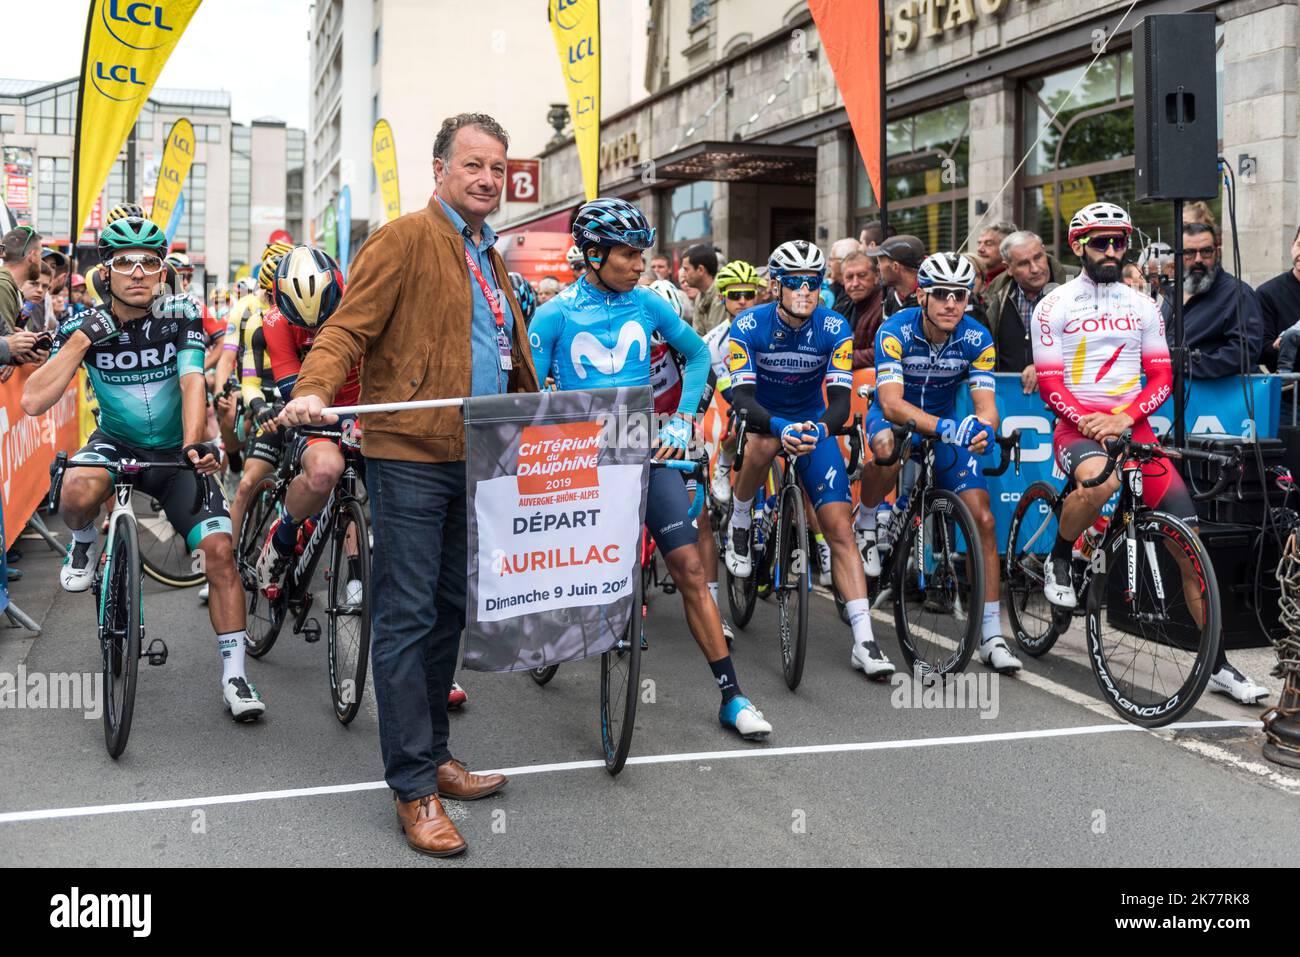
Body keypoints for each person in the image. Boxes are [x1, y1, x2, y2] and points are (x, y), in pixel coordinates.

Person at [280, 113, 538, 857]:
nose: (488, 178)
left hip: (479, 454)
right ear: (440, 169)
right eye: (474, 165)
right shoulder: (403, 239)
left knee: (451, 611)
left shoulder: (489, 253)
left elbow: (499, 349)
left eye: (497, 166)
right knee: (406, 615)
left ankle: (437, 756)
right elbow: (344, 330)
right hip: (411, 456)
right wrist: (313, 389)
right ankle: (413, 789)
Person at [532, 198, 773, 741]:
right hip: (580, 455)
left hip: (641, 446)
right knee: (576, 568)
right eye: (627, 254)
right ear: (592, 255)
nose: (640, 264)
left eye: (643, 254)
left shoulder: (647, 304)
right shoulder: (555, 314)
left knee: (688, 568)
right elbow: (524, 392)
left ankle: (732, 696)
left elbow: (697, 358)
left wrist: (681, 420)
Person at [20, 216, 264, 719]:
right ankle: (86, 542)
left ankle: (235, 676)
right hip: (115, 443)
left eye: (148, 263)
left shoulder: (181, 315)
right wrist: (83, 340)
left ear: (160, 271)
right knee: (73, 492)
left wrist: (194, 446)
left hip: (175, 451)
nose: (137, 272)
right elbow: (31, 400)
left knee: (220, 551)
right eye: (124, 263)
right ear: (105, 272)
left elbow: (193, 380)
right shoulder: (81, 323)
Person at [1034, 202, 1269, 705]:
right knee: (1102, 482)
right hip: (1076, 426)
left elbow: (1161, 376)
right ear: (1079, 246)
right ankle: (1058, 556)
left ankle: (1219, 663)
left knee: (1191, 545)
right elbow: (1051, 384)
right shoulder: (1052, 306)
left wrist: (1124, 417)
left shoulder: (1142, 305)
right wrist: (1090, 422)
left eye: (1120, 241)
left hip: (1131, 427)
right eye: (1101, 242)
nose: (1113, 251)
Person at [724, 239, 897, 680]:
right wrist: (779, 426)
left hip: (809, 422)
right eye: (795, 282)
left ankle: (864, 640)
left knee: (839, 526)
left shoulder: (834, 326)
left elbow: (839, 399)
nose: (806, 290)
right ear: (776, 284)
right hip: (764, 418)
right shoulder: (749, 325)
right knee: (761, 446)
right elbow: (741, 396)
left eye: (814, 282)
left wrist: (819, 428)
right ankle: (741, 518)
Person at [855, 252, 1020, 675]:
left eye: (960, 296)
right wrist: (948, 427)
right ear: (923, 295)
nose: (951, 304)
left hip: (945, 428)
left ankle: (990, 634)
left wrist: (982, 429)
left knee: (982, 518)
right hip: (897, 417)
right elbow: (891, 403)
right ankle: (868, 518)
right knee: (887, 448)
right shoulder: (895, 330)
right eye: (942, 295)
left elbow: (987, 408)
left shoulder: (977, 337)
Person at [646, 277, 733, 644]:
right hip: (632, 429)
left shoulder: (680, 347)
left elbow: (708, 378)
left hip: (675, 429)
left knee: (699, 518)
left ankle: (711, 606)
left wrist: (687, 422)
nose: (660, 343)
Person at [1162, 221, 1263, 379]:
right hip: (1172, 394)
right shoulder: (1173, 293)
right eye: (1189, 252)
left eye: (1206, 251)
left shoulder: (1237, 294)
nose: (1198, 259)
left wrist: (1187, 366)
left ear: (1217, 253)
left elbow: (1245, 351)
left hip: (1220, 397)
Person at [981, 229, 1069, 394]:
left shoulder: (1075, 282)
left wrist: (1047, 367)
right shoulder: (994, 293)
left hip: (1065, 397)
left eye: (1038, 257)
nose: (1035, 269)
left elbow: (1093, 345)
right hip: (1008, 399)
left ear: (1044, 251)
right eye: (1023, 263)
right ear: (1008, 268)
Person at [706, 260, 761, 504]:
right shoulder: (714, 342)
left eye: (748, 294)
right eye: (735, 295)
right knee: (742, 420)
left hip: (772, 395)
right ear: (722, 297)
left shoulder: (772, 328)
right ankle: (723, 464)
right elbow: (730, 391)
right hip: (740, 397)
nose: (742, 301)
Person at [0, 227, 47, 367]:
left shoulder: (12, 288)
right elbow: (8, 346)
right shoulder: (3, 286)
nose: (41, 260)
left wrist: (31, 349)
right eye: (40, 254)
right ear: (32, 256)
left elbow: (11, 345)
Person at [1259, 226, 1300, 371]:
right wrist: (1282, 345)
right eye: (1299, 245)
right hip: (1289, 389)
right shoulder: (1268, 293)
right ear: (1292, 245)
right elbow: (1261, 350)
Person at [837, 250, 883, 370]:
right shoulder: (842, 306)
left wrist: (839, 358)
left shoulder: (886, 305)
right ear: (842, 280)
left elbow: (882, 352)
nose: (855, 283)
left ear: (876, 276)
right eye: (849, 277)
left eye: (862, 275)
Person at [867, 234, 924, 318]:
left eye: (880, 262)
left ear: (895, 266)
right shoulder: (891, 297)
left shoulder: (929, 297)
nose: (877, 267)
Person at [681, 242, 725, 335]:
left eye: (686, 269)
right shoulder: (701, 294)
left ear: (700, 269)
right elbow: (698, 335)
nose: (683, 275)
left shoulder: (721, 294)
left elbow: (714, 338)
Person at [826, 237, 862, 305]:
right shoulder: (832, 288)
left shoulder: (857, 292)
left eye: (831, 259)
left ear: (844, 261)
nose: (828, 264)